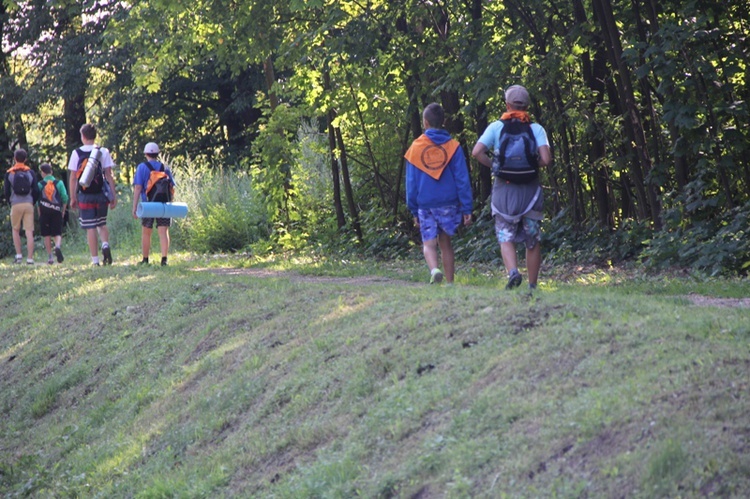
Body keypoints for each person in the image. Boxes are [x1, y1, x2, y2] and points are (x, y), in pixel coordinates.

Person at [471, 85, 552, 290]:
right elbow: (546, 158)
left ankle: (513, 272)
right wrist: (533, 167)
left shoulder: (496, 127)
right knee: (531, 239)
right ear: (527, 106)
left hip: (504, 190)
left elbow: (477, 152)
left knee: (505, 234)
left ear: (507, 105)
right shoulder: (536, 129)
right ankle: (532, 285)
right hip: (531, 190)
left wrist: (495, 167)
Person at [405, 103, 473, 284]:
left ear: (425, 123)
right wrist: (467, 208)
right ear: (443, 121)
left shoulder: (415, 148)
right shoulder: (453, 147)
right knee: (446, 244)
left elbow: (411, 183)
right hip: (449, 203)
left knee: (428, 244)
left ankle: (434, 270)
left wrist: (413, 209)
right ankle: (450, 283)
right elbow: (462, 180)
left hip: (426, 204)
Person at [68, 124, 117, 265]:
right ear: (95, 136)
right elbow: (109, 175)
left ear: (83, 136)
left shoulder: (76, 153)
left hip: (85, 195)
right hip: (101, 194)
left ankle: (95, 260)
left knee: (90, 227)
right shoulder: (103, 151)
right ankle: (105, 244)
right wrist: (113, 195)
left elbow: (73, 178)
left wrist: (73, 197)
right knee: (101, 223)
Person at [131, 142, 176, 266]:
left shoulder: (142, 167)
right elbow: (172, 187)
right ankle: (164, 259)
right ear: (157, 154)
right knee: (163, 231)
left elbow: (138, 187)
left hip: (148, 205)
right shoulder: (165, 167)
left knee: (146, 231)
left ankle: (145, 259)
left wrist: (134, 207)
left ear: (146, 154)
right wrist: (170, 202)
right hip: (163, 204)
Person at [4, 149, 40, 264]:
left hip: (16, 204)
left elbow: (6, 191)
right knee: (29, 231)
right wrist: (32, 202)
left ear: (14, 158)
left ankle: (19, 256)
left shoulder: (10, 173)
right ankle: (30, 258)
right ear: (25, 159)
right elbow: (36, 190)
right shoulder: (30, 172)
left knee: (15, 230)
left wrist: (11, 202)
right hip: (28, 203)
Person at [37, 163, 69, 265]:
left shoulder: (40, 184)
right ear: (51, 171)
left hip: (44, 212)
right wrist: (63, 211)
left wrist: (39, 213)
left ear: (42, 173)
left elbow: (37, 201)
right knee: (57, 232)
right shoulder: (59, 183)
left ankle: (50, 257)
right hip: (56, 211)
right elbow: (64, 197)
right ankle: (58, 246)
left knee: (46, 234)